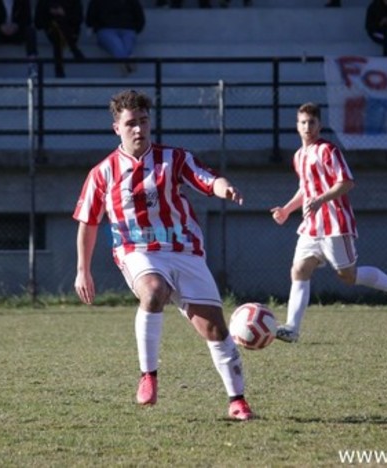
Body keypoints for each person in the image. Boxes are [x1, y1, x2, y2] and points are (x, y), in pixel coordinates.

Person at [73, 89, 254, 421]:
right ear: (117, 128)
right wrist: (83, 270)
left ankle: (237, 401)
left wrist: (224, 187)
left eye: (144, 121)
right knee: (154, 290)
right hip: (137, 252)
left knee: (215, 330)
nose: (139, 129)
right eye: (131, 123)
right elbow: (87, 223)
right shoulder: (103, 173)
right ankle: (148, 376)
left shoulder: (175, 158)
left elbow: (208, 179)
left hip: (184, 251)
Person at [269, 102, 387, 343]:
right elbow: (306, 189)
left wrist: (321, 199)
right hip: (311, 225)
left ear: (320, 125)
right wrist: (286, 209)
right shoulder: (298, 156)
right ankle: (293, 328)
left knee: (347, 276)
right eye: (303, 122)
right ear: (297, 126)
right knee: (299, 269)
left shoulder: (328, 150)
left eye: (312, 122)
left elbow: (346, 182)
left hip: (335, 222)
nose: (307, 126)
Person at [0, 0, 39, 78]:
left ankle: (32, 65)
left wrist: (16, 26)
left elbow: (28, 20)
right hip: (0, 33)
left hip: (17, 32)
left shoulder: (23, 1)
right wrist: (0, 27)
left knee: (31, 31)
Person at [85, 0, 145, 76]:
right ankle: (127, 60)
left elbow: (139, 16)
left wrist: (136, 28)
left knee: (126, 41)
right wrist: (96, 27)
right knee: (115, 42)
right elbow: (90, 17)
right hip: (106, 28)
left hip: (127, 28)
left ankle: (124, 61)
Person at [34, 0, 85, 79]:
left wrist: (64, 14)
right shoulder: (44, 2)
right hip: (53, 31)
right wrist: (50, 12)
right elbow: (38, 22)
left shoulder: (74, 2)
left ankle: (59, 69)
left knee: (60, 23)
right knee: (57, 31)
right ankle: (74, 49)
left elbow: (78, 18)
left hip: (71, 31)